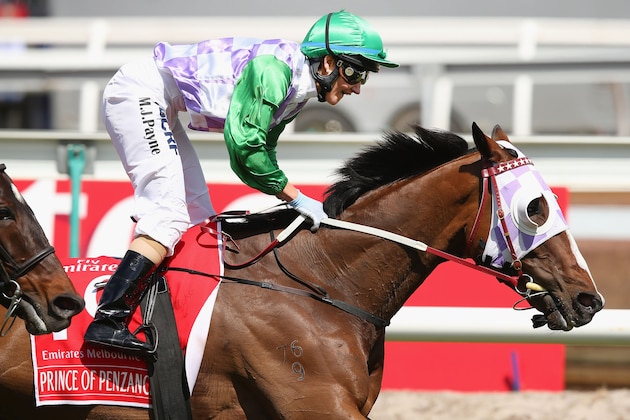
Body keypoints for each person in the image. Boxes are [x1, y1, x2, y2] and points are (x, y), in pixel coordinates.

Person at [83, 10, 399, 356]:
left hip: (163, 103)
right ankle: (108, 319)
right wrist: (295, 197)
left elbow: (264, 151)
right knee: (168, 215)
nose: (356, 86)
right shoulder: (273, 72)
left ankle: (172, 315)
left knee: (198, 218)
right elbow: (244, 150)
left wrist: (289, 196)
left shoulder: (296, 90)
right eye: (354, 71)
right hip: (140, 93)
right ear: (326, 63)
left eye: (364, 76)